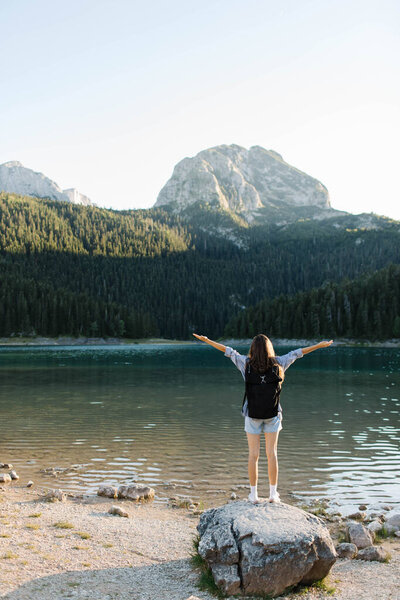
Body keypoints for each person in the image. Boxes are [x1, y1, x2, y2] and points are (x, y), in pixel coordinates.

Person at [193, 333, 333, 504]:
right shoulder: (279, 363)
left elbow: (228, 351)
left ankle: (254, 495)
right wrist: (319, 345)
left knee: (253, 456)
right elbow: (298, 353)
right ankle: (273, 494)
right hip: (273, 415)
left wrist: (207, 341)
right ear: (269, 348)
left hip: (252, 416)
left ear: (252, 349)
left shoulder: (246, 364)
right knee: (272, 454)